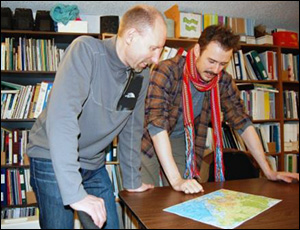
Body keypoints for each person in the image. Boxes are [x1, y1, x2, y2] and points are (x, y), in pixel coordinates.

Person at [27, 4, 166, 229]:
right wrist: (75, 194)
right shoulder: (85, 51)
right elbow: (63, 119)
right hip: (51, 159)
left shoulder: (142, 74)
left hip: (93, 164)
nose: (157, 58)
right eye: (153, 48)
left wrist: (132, 182)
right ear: (131, 36)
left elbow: (132, 129)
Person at [141, 25, 299, 195]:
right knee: (147, 197)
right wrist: (176, 180)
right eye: (211, 61)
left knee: (180, 196)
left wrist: (269, 171)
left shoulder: (222, 81)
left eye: (223, 64)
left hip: (181, 140)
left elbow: (242, 122)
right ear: (196, 51)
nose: (216, 70)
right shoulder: (167, 70)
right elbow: (157, 123)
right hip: (147, 137)